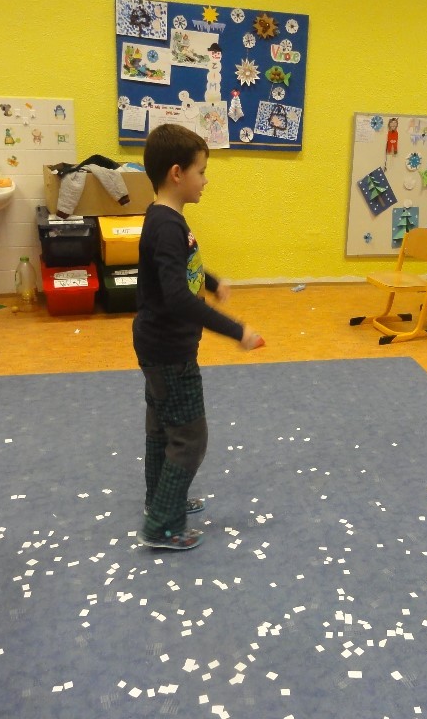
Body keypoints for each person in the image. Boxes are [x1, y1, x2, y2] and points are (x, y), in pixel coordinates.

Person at [134, 123, 263, 551]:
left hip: (157, 344)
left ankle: (161, 501)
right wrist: (236, 329)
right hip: (170, 350)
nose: (205, 181)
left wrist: (210, 280)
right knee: (190, 438)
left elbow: (173, 267)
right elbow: (176, 297)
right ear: (177, 173)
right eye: (201, 171)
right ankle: (161, 526)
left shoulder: (163, 218)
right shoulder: (167, 225)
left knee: (162, 429)